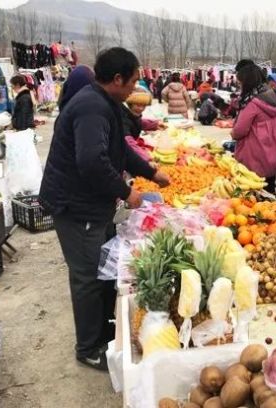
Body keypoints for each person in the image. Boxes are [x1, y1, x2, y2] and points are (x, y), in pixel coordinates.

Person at [39, 47, 170, 371]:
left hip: (90, 204)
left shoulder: (106, 102)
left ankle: (103, 330)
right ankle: (88, 347)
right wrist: (129, 194)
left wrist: (151, 172)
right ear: (117, 79)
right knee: (86, 277)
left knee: (100, 272)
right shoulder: (91, 107)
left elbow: (118, 152)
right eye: (134, 81)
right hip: (75, 206)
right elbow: (92, 162)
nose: (136, 89)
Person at [231, 62, 276, 194]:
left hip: (255, 158)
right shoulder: (271, 95)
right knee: (269, 193)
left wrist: (232, 132)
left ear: (247, 82)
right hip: (272, 154)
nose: (240, 86)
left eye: (241, 83)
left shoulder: (252, 102)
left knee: (254, 197)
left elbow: (239, 131)